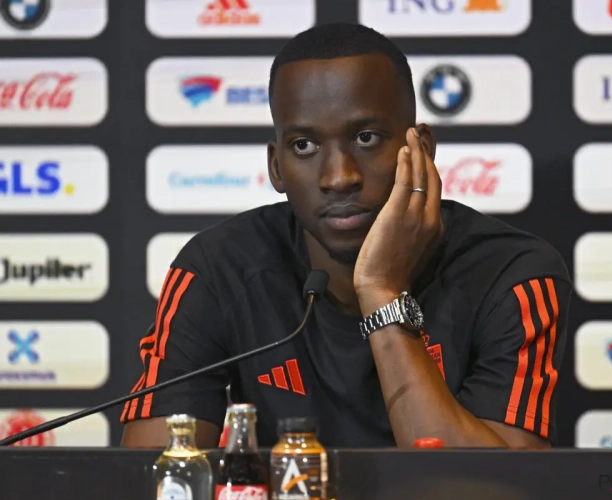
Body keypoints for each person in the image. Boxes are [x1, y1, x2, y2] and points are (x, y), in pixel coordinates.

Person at [121, 22, 571, 449]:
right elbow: (154, 476)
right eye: (304, 146)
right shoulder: (216, 269)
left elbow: (493, 486)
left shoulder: (514, 275)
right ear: (276, 167)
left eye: (367, 137)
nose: (339, 177)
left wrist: (381, 291)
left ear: (421, 149)